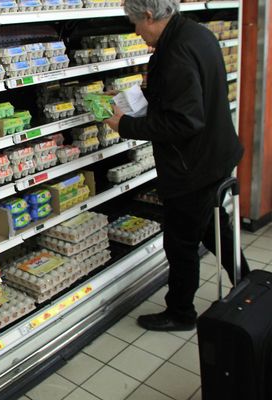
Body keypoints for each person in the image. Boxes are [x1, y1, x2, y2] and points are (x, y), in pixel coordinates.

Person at [105, 0, 250, 331]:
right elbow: (184, 94)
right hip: (216, 154)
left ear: (149, 15)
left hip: (192, 167)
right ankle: (245, 281)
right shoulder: (197, 34)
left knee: (181, 243)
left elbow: (185, 121)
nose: (135, 31)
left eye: (135, 23)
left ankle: (180, 313)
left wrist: (124, 125)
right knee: (216, 227)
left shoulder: (174, 53)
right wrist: (137, 94)